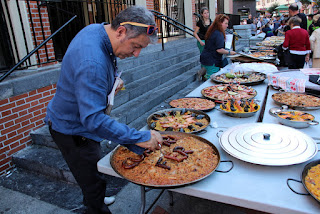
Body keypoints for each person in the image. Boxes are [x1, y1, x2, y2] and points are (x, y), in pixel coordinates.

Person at [45, 6, 163, 214]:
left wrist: (108, 83)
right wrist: (139, 137)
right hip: (72, 130)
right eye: (136, 46)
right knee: (91, 180)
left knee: (92, 174)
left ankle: (96, 196)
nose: (136, 54)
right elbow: (93, 120)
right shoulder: (93, 62)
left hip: (77, 122)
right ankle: (95, 205)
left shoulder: (97, 30)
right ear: (121, 32)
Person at [199, 14, 236, 80]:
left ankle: (204, 73)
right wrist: (230, 52)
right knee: (212, 80)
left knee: (209, 77)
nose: (227, 26)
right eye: (226, 23)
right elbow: (219, 50)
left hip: (206, 58)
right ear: (220, 23)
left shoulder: (213, 30)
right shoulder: (219, 33)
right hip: (212, 60)